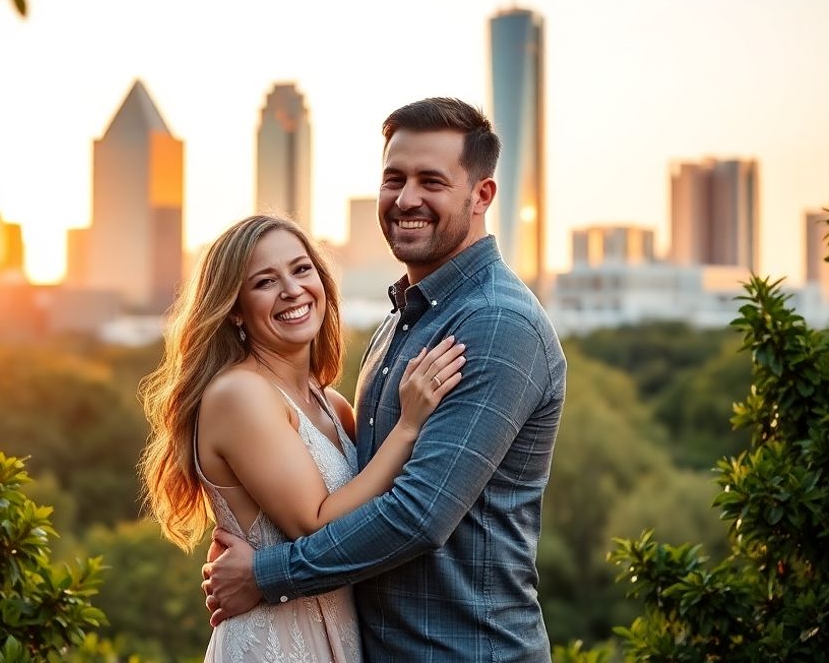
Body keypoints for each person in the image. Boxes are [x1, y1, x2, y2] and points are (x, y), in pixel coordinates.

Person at [202, 98, 567, 661]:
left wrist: (266, 572)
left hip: (464, 650)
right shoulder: (405, 317)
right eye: (394, 178)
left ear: (482, 196)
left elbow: (417, 516)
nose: (407, 198)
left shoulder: (494, 323)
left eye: (431, 181)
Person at [140, 214, 468, 662]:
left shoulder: (333, 406)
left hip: (339, 634)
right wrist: (408, 427)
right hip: (275, 643)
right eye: (264, 282)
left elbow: (377, 506)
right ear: (234, 308)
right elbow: (314, 524)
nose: (291, 290)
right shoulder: (240, 393)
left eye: (300, 269)